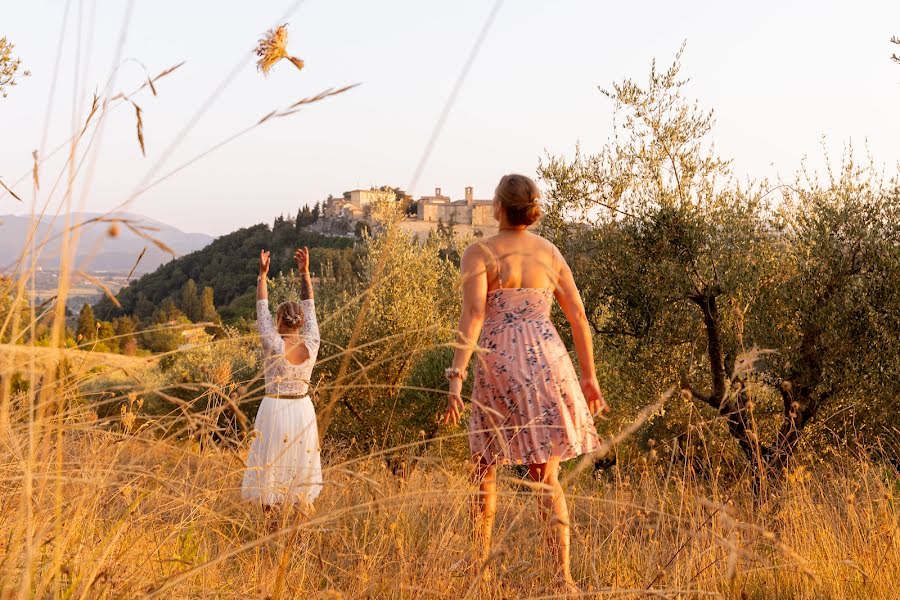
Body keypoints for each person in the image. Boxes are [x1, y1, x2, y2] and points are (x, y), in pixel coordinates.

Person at [443, 174, 609, 593]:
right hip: (547, 363)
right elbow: (578, 318)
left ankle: (476, 563)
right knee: (545, 476)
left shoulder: (479, 252)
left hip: (500, 362)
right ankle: (563, 578)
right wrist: (588, 378)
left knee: (484, 467)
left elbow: (474, 316)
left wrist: (456, 377)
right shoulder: (549, 252)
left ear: (497, 206)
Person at [242, 247, 322, 521]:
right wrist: (305, 272)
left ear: (279, 322)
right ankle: (301, 536)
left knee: (269, 472)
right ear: (301, 321)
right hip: (303, 412)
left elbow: (260, 309)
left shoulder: (273, 344)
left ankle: (270, 530)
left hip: (274, 411)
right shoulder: (312, 342)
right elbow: (310, 304)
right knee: (301, 476)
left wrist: (263, 276)